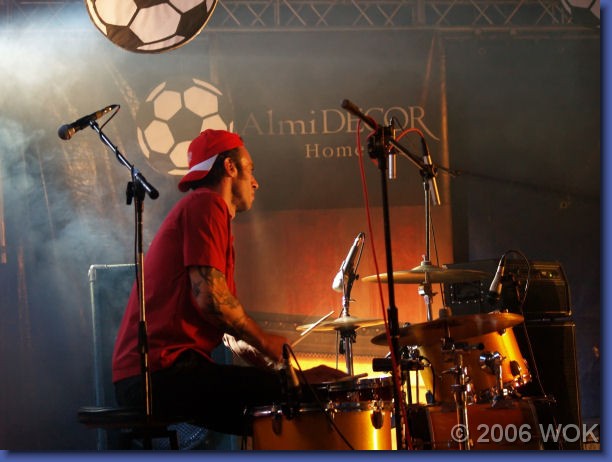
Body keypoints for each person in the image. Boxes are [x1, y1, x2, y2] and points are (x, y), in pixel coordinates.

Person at [111, 129, 292, 437]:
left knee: (267, 412)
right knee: (292, 399)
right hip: (158, 374)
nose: (255, 182)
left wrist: (260, 355)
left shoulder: (204, 210)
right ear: (230, 167)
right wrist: (264, 341)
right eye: (250, 170)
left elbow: (220, 320)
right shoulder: (207, 204)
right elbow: (210, 299)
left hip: (158, 373)